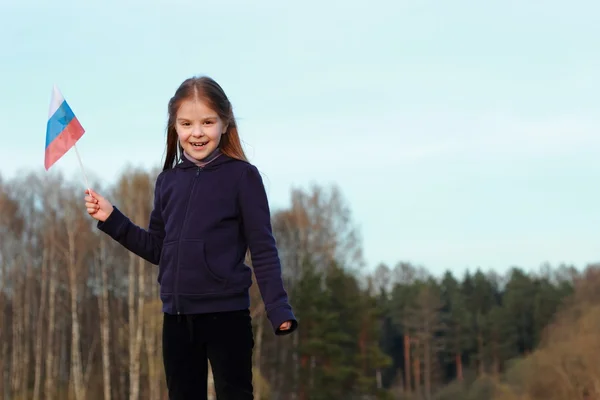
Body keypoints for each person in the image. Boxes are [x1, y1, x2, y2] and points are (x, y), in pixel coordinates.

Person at [84, 76, 298, 399]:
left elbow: (263, 249)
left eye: (207, 122)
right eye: (186, 124)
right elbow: (157, 248)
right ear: (175, 127)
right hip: (177, 318)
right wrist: (112, 218)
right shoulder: (167, 182)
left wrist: (278, 308)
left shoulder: (243, 177)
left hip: (227, 316)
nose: (196, 133)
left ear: (224, 123)